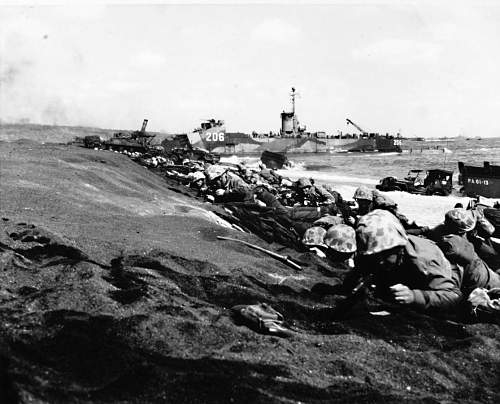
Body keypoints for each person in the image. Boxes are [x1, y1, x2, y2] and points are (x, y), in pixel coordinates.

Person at [354, 209, 462, 312]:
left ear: (399, 247)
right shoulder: (378, 250)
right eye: (375, 255)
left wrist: (414, 296)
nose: (380, 261)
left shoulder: (424, 259)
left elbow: (453, 296)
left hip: (439, 284)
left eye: (385, 254)